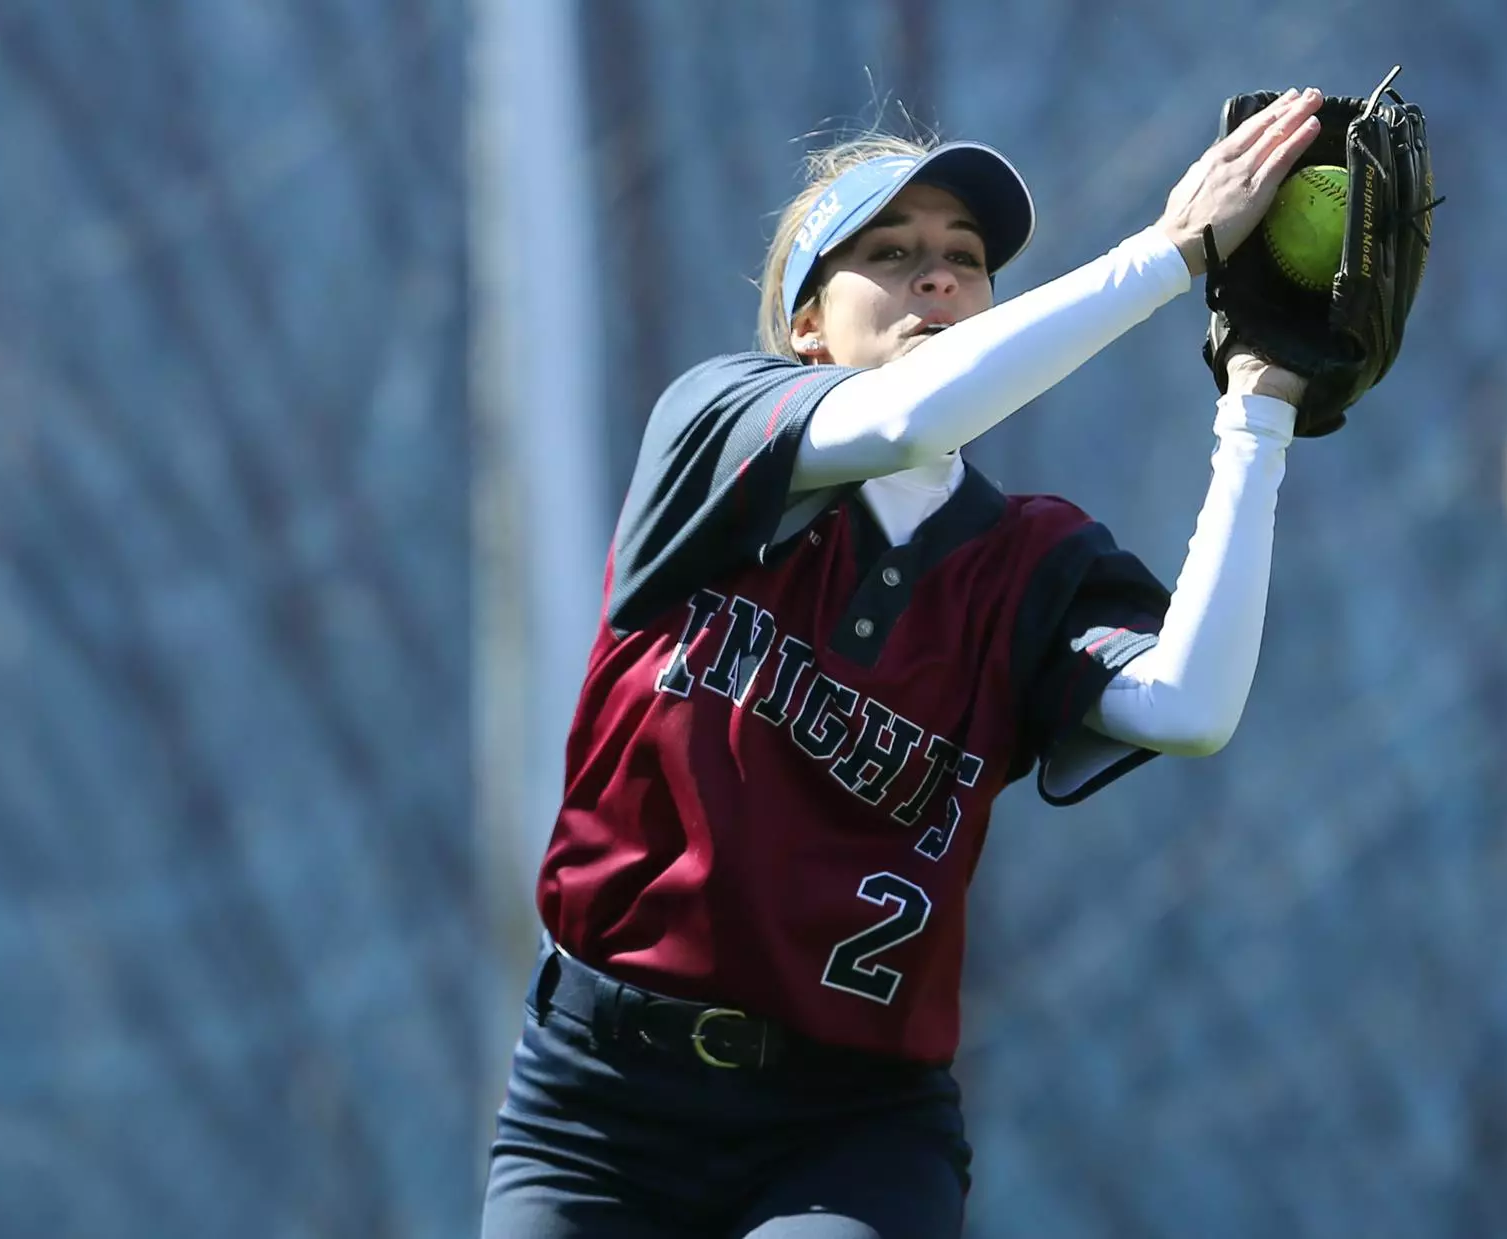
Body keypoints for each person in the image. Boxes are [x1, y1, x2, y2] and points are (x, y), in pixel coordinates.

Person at [482, 87, 1328, 1239]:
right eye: (890, 251)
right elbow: (898, 427)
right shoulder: (716, 432)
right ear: (807, 327)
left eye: (964, 258)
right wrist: (1167, 254)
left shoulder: (1032, 563)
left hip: (847, 1130)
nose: (937, 276)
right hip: (599, 1103)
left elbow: (1189, 705)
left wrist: (1259, 412)